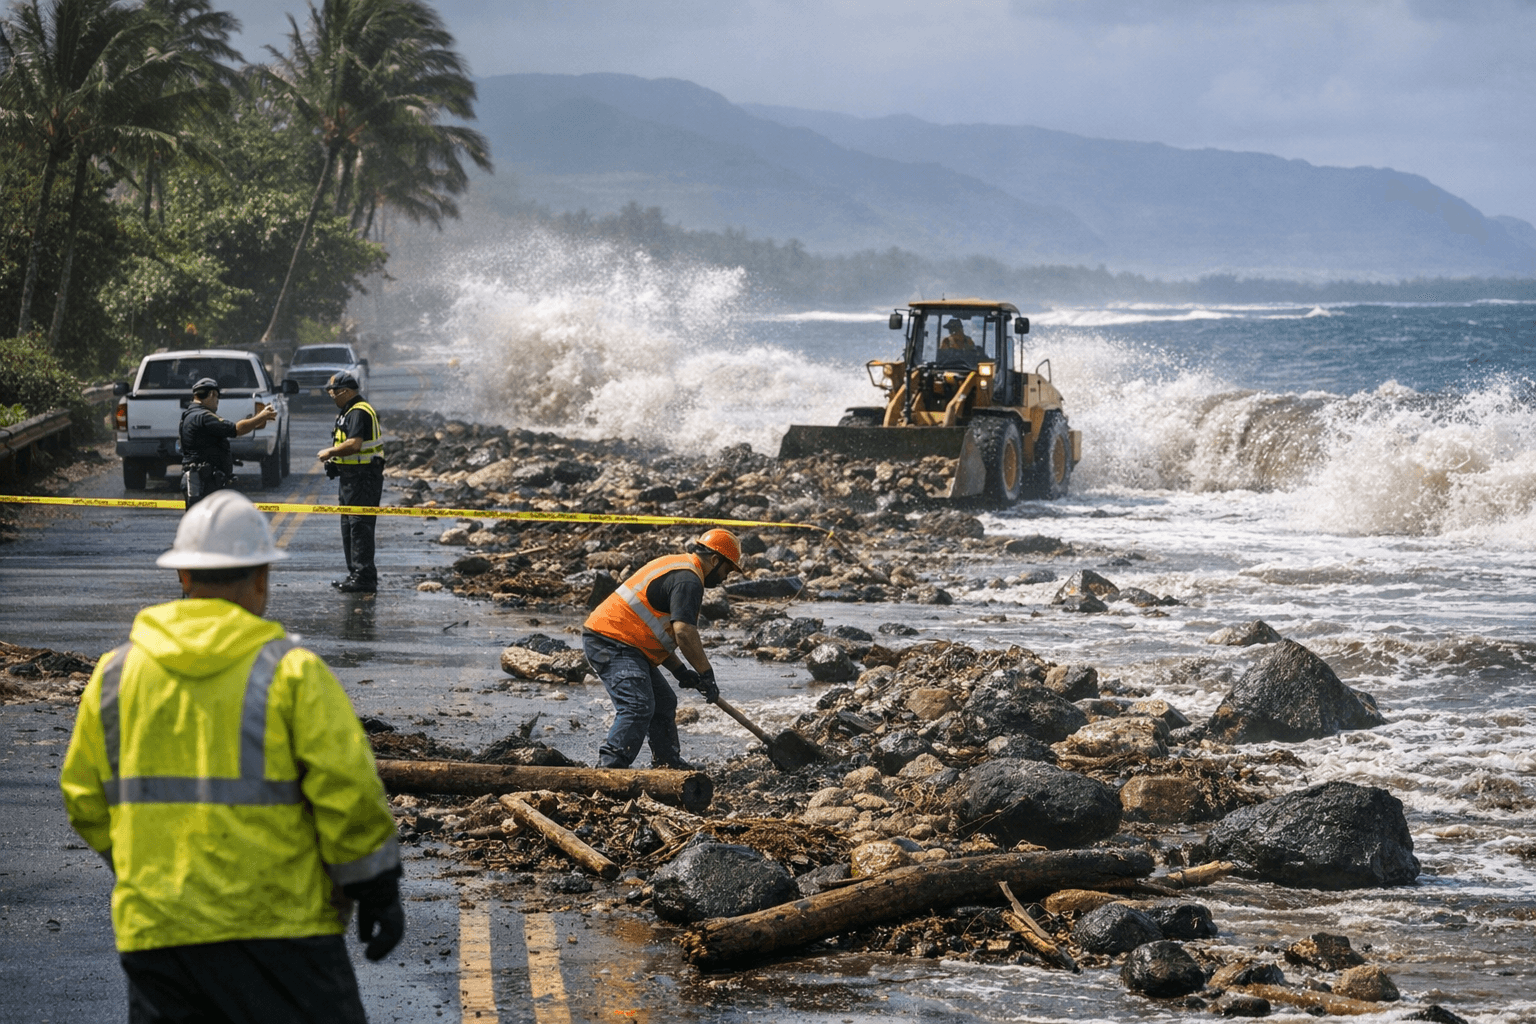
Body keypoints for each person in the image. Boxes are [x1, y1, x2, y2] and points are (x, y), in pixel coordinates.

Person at [60, 490, 403, 1024]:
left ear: (183, 577)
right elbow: (349, 792)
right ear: (261, 577)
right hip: (283, 931)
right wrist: (375, 889)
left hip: (159, 934)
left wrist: (147, 870)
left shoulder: (114, 677)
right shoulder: (292, 673)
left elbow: (83, 800)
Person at [582, 529, 743, 769]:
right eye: (727, 570)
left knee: (664, 702)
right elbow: (684, 633)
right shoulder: (689, 579)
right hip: (612, 640)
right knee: (637, 705)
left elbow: (654, 631)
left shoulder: (681, 567)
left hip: (628, 642)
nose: (725, 577)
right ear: (715, 560)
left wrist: (680, 671)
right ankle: (609, 768)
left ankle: (668, 764)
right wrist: (706, 674)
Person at [316, 371, 384, 594]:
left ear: (345, 391)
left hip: (363, 478)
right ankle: (355, 573)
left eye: (333, 391)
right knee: (349, 526)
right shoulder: (348, 411)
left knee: (359, 526)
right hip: (350, 478)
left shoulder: (359, 412)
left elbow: (354, 444)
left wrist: (331, 452)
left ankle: (364, 576)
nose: (331, 395)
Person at [179, 377, 276, 508]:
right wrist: (261, 417)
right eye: (217, 397)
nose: (217, 402)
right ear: (212, 394)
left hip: (197, 481)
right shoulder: (204, 416)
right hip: (204, 483)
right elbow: (236, 429)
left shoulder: (188, 416)